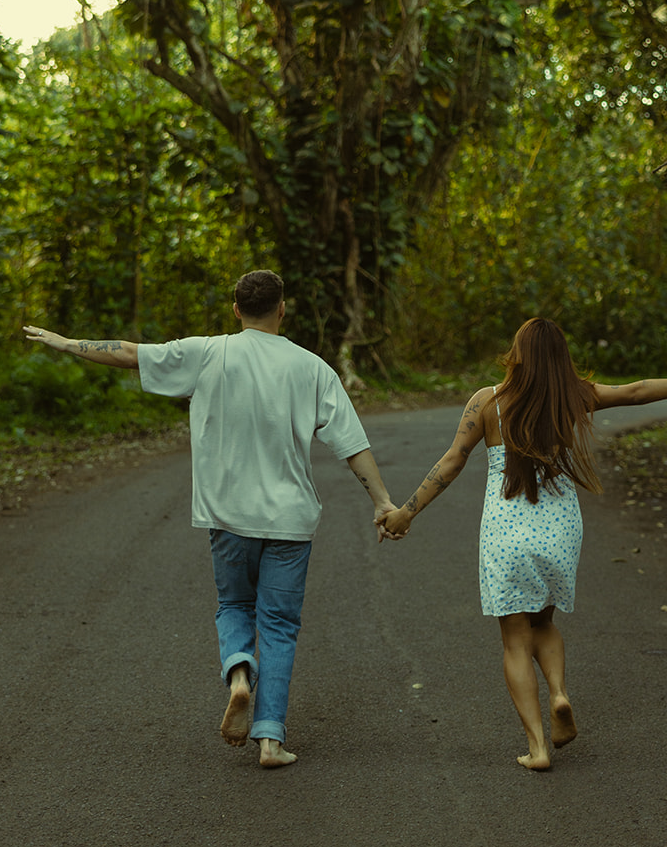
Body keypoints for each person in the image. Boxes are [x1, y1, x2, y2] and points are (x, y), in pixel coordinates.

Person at [24, 269, 396, 769]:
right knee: (280, 626)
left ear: (235, 309)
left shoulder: (207, 353)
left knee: (233, 605)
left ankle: (239, 672)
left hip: (227, 516)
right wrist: (382, 501)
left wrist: (67, 343)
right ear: (282, 309)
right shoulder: (313, 369)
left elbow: (129, 353)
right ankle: (270, 739)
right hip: (290, 522)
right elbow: (352, 444)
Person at [379, 319, 667, 771]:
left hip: (508, 534)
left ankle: (537, 748)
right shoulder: (574, 396)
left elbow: (452, 462)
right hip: (560, 530)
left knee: (515, 641)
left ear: (518, 353)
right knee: (543, 623)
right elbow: (635, 391)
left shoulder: (487, 402)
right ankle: (559, 693)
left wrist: (406, 512)